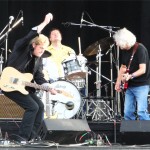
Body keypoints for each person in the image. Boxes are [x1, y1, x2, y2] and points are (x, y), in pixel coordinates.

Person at [2, 13, 57, 143]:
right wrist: (44, 23)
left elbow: (39, 77)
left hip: (23, 87)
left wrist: (48, 86)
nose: (42, 51)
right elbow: (31, 34)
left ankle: (32, 136)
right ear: (34, 45)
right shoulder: (21, 47)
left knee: (40, 106)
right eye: (41, 48)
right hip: (8, 84)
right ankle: (22, 137)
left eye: (44, 49)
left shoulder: (39, 59)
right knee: (32, 107)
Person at [114, 27, 150, 120]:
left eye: (120, 43)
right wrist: (118, 82)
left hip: (141, 85)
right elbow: (123, 67)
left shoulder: (140, 49)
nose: (118, 45)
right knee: (127, 112)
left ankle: (146, 133)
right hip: (129, 85)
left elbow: (143, 69)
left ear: (126, 42)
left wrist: (130, 76)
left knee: (141, 112)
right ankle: (130, 134)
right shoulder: (125, 50)